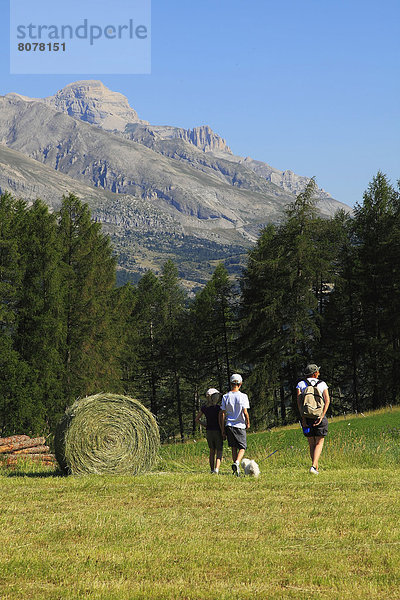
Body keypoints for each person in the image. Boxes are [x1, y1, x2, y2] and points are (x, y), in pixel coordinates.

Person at [296, 363, 330, 475]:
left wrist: (303, 418)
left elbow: (299, 403)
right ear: (315, 373)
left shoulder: (301, 384)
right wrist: (321, 415)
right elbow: (327, 401)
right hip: (319, 415)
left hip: (307, 416)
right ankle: (314, 467)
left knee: (311, 443)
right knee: (319, 443)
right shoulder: (322, 384)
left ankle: (315, 466)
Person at [219, 373, 250, 476]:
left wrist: (223, 429)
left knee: (233, 447)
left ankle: (235, 470)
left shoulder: (225, 396)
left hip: (229, 424)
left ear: (231, 383)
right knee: (242, 447)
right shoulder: (243, 396)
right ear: (240, 384)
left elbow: (223, 413)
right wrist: (248, 422)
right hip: (240, 425)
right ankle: (236, 462)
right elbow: (245, 412)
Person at [195, 388, 223, 474]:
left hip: (209, 431)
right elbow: (220, 420)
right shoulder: (218, 408)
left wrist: (205, 425)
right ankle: (216, 469)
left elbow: (197, 419)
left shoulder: (204, 408)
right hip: (217, 430)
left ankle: (211, 469)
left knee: (212, 451)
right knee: (219, 451)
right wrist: (223, 430)